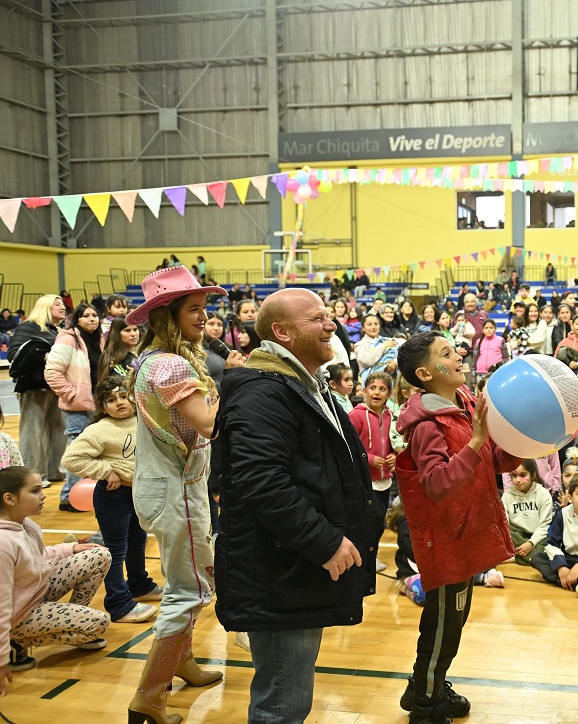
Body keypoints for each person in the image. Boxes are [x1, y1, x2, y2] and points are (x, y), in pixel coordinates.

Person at [214, 287, 382, 724]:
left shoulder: (302, 383)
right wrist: (325, 542)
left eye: (329, 316)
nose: (332, 325)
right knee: (282, 703)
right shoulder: (264, 393)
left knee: (290, 697)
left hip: (294, 566)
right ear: (282, 332)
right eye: (317, 319)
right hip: (281, 572)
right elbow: (259, 480)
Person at [125, 267, 243, 724]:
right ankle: (149, 699)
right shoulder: (171, 365)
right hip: (174, 490)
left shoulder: (156, 358)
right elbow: (210, 424)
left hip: (172, 486)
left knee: (186, 581)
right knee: (189, 590)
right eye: (193, 309)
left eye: (203, 307)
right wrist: (233, 381)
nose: (204, 316)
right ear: (167, 316)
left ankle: (185, 662)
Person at [393, 330, 521, 724]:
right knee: (443, 625)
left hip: (467, 532)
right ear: (426, 373)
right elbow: (435, 483)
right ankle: (426, 708)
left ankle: (425, 686)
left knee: (453, 619)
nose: (459, 354)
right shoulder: (427, 424)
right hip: (445, 537)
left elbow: (494, 460)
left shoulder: (465, 403)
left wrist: (523, 443)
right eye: (446, 353)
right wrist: (477, 439)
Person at [60, 376, 160, 624]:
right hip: (113, 496)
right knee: (116, 549)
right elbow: (71, 459)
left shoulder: (143, 421)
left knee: (138, 541)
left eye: (124, 396)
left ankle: (139, 584)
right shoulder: (99, 430)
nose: (120, 402)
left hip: (139, 493)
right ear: (103, 407)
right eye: (111, 400)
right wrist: (106, 471)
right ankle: (118, 604)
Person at [0, 466, 111, 686]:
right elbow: (1, 605)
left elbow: (40, 556)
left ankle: (70, 621)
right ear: (10, 498)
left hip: (37, 592)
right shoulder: (3, 543)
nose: (42, 496)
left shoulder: (25, 523)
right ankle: (16, 642)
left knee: (99, 554)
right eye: (34, 491)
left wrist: (69, 549)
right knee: (98, 623)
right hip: (19, 614)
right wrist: (1, 658)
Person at [45, 303, 102, 512]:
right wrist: (73, 394)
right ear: (77, 319)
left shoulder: (99, 340)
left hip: (98, 406)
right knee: (78, 451)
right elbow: (51, 372)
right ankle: (69, 497)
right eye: (86, 316)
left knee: (93, 452)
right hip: (77, 407)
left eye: (95, 315)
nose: (91, 319)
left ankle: (85, 496)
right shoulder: (68, 338)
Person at [8, 295, 67, 488]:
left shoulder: (57, 330)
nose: (63, 307)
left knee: (58, 429)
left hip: (54, 387)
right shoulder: (28, 326)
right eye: (57, 304)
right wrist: (46, 356)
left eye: (63, 304)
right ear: (45, 307)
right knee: (33, 430)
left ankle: (54, 470)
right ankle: (34, 475)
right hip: (33, 387)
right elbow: (14, 354)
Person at [349, 372, 396, 514]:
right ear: (365, 391)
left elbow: (397, 443)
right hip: (364, 482)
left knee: (379, 525)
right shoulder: (355, 416)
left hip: (385, 481)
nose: (377, 392)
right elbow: (349, 447)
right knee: (369, 526)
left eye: (382, 389)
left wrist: (395, 456)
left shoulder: (392, 416)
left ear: (389, 394)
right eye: (372, 388)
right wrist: (369, 459)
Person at [502, 459, 554, 567]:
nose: (518, 480)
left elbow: (544, 525)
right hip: (516, 536)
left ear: (533, 474)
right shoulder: (507, 496)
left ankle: (516, 557)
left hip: (538, 537)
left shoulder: (543, 494)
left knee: (550, 544)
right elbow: (505, 524)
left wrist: (531, 543)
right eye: (514, 476)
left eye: (522, 475)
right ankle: (534, 558)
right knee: (505, 530)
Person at [99, 317, 142, 383]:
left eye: (135, 329)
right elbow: (119, 385)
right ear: (117, 333)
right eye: (127, 330)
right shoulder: (112, 357)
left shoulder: (140, 353)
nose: (133, 334)